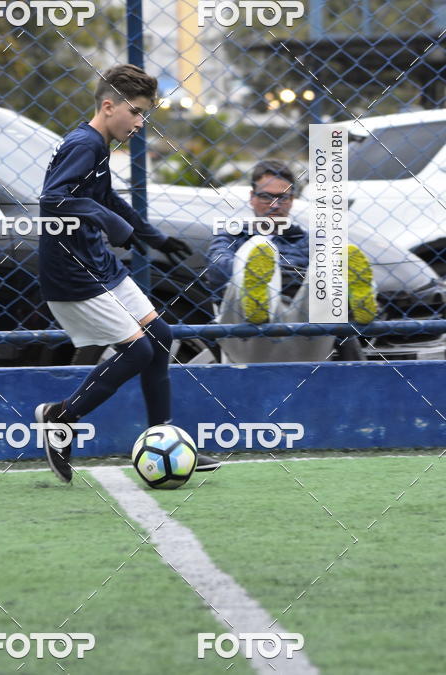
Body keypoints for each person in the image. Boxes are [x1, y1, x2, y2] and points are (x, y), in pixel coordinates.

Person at [34, 63, 216, 482]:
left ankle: (164, 436)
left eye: (143, 114)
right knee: (138, 351)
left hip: (98, 263)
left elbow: (107, 199)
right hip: (72, 272)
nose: (139, 122)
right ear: (108, 105)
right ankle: (61, 416)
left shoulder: (97, 146)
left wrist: (153, 238)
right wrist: (106, 221)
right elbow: (51, 201)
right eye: (135, 112)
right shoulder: (83, 144)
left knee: (160, 337)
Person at [206, 159, 377, 364]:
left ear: (292, 199)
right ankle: (260, 292)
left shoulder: (309, 240)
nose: (274, 205)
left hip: (307, 330)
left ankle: (361, 298)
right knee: (255, 249)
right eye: (266, 196)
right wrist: (280, 274)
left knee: (333, 257)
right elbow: (216, 271)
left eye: (282, 198)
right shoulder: (233, 235)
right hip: (248, 332)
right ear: (252, 197)